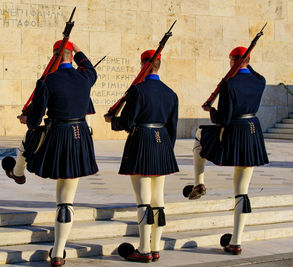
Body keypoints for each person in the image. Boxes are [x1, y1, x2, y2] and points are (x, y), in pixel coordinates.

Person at [14, 40, 98, 267]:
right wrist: (79, 49)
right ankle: (59, 253)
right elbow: (89, 67)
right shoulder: (86, 78)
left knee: (30, 141)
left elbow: (34, 120)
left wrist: (26, 118)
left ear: (53, 57)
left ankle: (17, 171)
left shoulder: (47, 81)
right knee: (66, 199)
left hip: (58, 135)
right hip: (80, 136)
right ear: (71, 56)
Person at [188, 46, 269, 255]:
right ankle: (236, 241)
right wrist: (242, 66)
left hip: (235, 132)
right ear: (249, 60)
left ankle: (199, 183)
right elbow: (255, 73)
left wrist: (211, 111)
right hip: (253, 131)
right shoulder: (260, 81)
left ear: (232, 61)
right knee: (242, 190)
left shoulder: (229, 84)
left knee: (199, 137)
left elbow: (223, 118)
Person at [105, 50, 179, 263]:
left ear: (142, 65)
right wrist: (166, 149)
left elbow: (127, 123)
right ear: (159, 65)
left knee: (143, 200)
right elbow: (172, 128)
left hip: (142, 141)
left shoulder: (138, 90)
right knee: (158, 199)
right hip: (162, 142)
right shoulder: (170, 93)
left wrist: (113, 121)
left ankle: (144, 249)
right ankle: (155, 248)